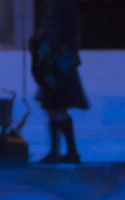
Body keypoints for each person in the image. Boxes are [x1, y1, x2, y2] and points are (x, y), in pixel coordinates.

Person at [32, 0, 88, 164]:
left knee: (56, 106)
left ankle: (70, 151)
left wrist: (48, 50)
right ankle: (58, 151)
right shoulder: (56, 4)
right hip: (55, 61)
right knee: (52, 107)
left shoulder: (62, 5)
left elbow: (63, 33)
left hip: (58, 63)